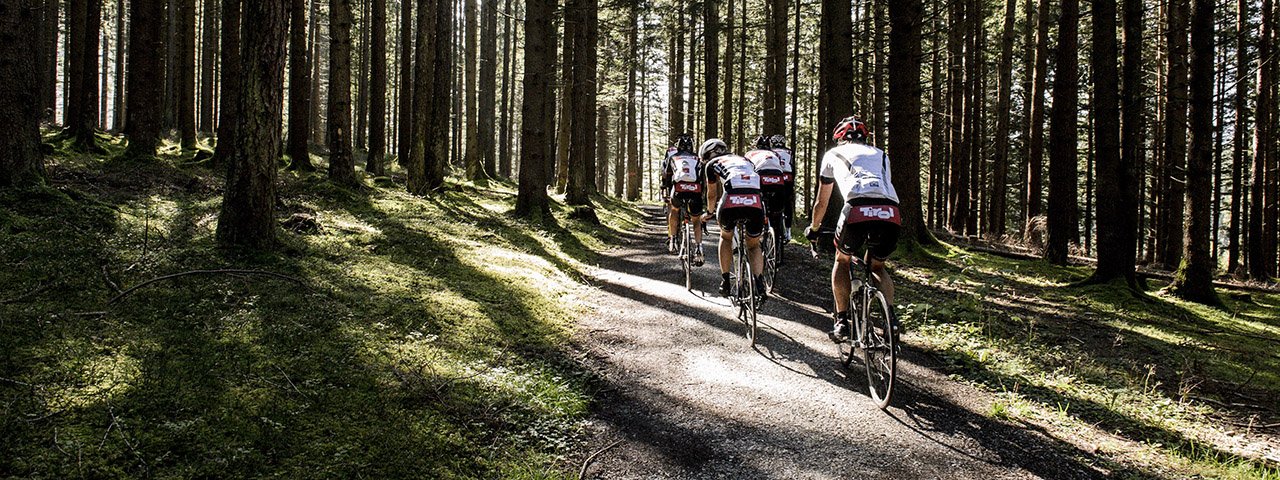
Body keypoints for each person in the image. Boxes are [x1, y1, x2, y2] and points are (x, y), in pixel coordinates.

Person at [804, 116, 901, 343]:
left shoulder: (832, 154)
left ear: (840, 138)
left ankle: (841, 321)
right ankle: (892, 319)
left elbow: (822, 201)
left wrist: (814, 227)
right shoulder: (881, 154)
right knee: (877, 265)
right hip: (890, 211)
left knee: (842, 260)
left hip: (857, 209)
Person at [700, 138, 767, 297]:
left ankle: (725, 281)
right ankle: (759, 284)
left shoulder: (712, 164)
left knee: (726, 237)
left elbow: (711, 195)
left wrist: (709, 213)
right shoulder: (745, 159)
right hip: (755, 201)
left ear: (708, 154)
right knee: (754, 245)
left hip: (731, 200)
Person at [661, 134, 706, 265]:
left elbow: (668, 176)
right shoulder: (698, 159)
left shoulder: (674, 157)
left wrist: (666, 190)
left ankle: (673, 239)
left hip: (678, 189)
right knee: (696, 220)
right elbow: (702, 179)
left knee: (674, 210)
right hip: (695, 190)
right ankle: (699, 247)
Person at [745, 135, 789, 263]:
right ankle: (779, 232)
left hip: (761, 177)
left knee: (757, 204)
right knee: (777, 211)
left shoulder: (750, 153)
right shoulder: (774, 154)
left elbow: (747, 169)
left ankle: (758, 225)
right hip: (778, 179)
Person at [769, 134, 797, 245]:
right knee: (787, 202)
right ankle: (788, 231)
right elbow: (793, 166)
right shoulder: (789, 152)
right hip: (788, 177)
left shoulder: (770, 151)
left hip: (774, 177)